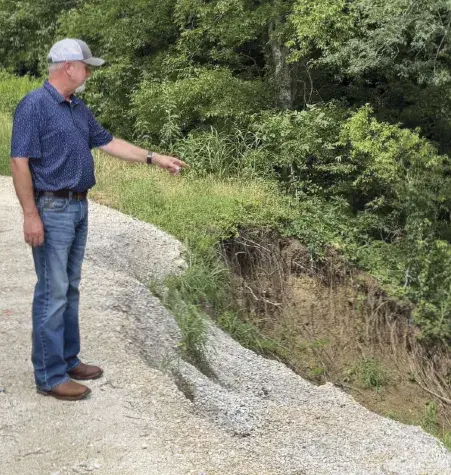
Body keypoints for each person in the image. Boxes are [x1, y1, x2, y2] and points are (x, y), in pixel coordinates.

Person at [10, 38, 188, 401]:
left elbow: (108, 142)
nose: (89, 73)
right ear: (68, 67)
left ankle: (68, 359)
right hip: (52, 208)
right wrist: (30, 215)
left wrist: (154, 158)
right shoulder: (35, 105)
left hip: (78, 207)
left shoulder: (77, 108)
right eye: (86, 67)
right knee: (53, 291)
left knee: (69, 288)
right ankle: (49, 375)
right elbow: (19, 161)